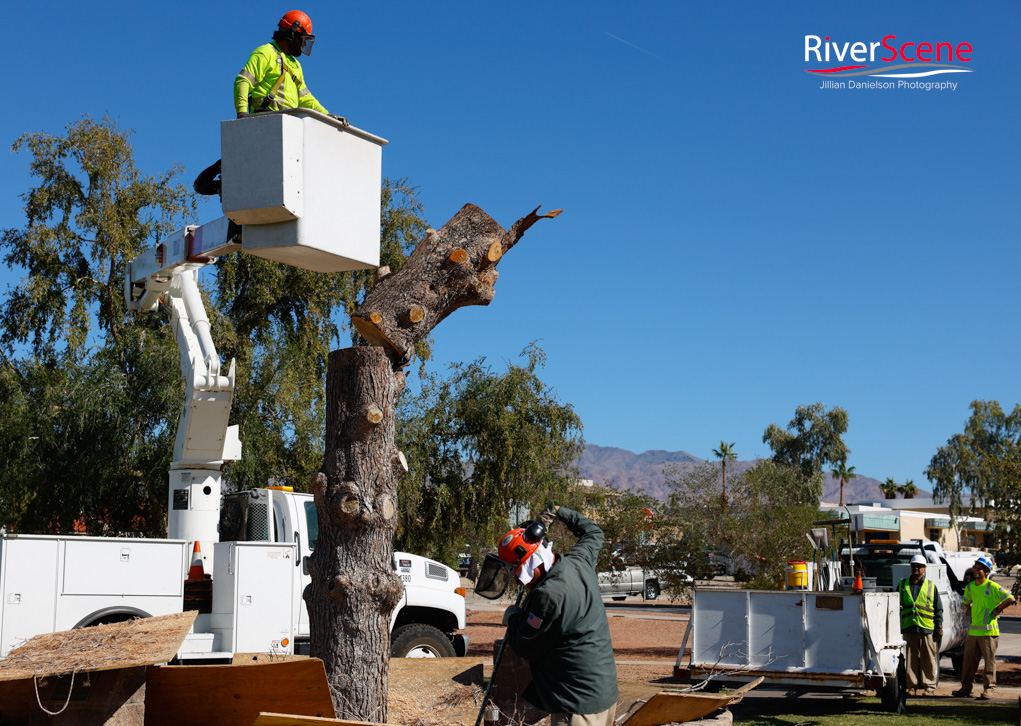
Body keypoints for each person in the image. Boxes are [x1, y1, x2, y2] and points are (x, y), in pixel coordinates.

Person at [500, 504, 618, 726]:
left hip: (577, 707)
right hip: (603, 694)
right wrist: (559, 510)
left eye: (517, 574)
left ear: (533, 564)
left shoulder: (548, 597)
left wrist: (514, 618)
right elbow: (593, 532)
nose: (517, 581)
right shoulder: (578, 561)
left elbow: (523, 646)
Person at [234, 11, 338, 120]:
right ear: (291, 35)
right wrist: (242, 114)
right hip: (264, 119)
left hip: (288, 122)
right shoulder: (266, 52)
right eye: (303, 39)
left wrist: (328, 116)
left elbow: (306, 99)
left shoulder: (295, 65)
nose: (304, 44)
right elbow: (243, 81)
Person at [952, 555, 1016, 699]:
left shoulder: (992, 586)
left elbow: (1010, 599)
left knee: (989, 663)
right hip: (973, 632)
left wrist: (997, 610)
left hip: (989, 632)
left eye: (979, 569)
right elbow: (966, 602)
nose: (976, 570)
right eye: (975, 568)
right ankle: (966, 687)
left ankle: (989, 689)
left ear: (986, 572)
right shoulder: (970, 587)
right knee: (968, 662)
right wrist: (969, 609)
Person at [897, 554, 942, 695]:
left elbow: (938, 608)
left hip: (927, 628)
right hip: (909, 627)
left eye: (919, 566)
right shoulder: (902, 585)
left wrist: (939, 626)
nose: (916, 568)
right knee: (910, 659)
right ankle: (911, 686)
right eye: (914, 566)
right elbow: (894, 606)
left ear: (924, 569)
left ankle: (929, 686)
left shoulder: (931, 586)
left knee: (928, 658)